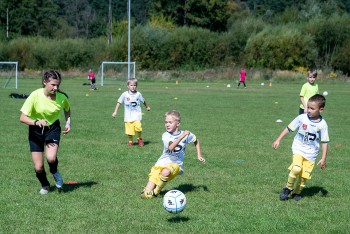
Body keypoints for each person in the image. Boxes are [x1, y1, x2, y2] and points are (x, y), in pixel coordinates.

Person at [20, 70, 71, 195]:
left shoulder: (62, 97)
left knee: (51, 158)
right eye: (53, 85)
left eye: (57, 85)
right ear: (44, 82)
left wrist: (68, 123)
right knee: (39, 167)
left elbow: (67, 110)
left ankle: (55, 172)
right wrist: (36, 122)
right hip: (35, 130)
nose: (56, 88)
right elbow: (22, 117)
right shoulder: (35, 95)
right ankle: (45, 185)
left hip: (52, 129)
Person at [272, 94, 329, 201]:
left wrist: (323, 158)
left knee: (303, 177)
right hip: (298, 148)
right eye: (308, 107)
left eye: (312, 108)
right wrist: (278, 139)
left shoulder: (323, 125)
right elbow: (289, 128)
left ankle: (296, 193)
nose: (308, 110)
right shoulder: (301, 118)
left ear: (321, 109)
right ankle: (287, 188)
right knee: (296, 168)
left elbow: (325, 142)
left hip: (311, 154)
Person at [140, 110, 206, 198]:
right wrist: (181, 137)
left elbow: (196, 140)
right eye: (166, 122)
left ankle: (156, 192)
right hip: (161, 163)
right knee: (145, 194)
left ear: (178, 123)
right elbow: (171, 148)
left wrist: (199, 155)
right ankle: (151, 191)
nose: (167, 124)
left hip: (176, 165)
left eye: (170, 122)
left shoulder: (185, 134)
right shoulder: (166, 135)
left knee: (166, 172)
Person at [112, 78, 150, 146]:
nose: (133, 87)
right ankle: (130, 141)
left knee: (138, 127)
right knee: (129, 131)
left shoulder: (138, 94)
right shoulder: (124, 94)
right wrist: (115, 112)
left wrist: (147, 107)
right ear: (128, 86)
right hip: (128, 116)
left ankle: (139, 138)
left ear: (136, 86)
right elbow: (119, 102)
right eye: (131, 85)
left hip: (137, 115)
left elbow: (143, 101)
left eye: (134, 85)